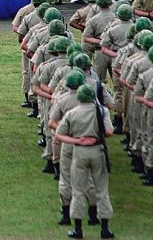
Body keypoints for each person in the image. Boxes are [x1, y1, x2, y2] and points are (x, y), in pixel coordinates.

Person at [55, 83, 114, 240]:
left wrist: (77, 140)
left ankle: (78, 229)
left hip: (79, 152)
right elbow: (109, 131)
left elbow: (59, 134)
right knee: (102, 190)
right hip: (98, 151)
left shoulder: (72, 113)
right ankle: (105, 229)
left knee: (78, 190)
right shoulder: (102, 111)